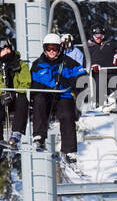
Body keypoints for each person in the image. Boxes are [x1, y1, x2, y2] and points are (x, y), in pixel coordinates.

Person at [30, 32, 85, 163]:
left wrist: (69, 84)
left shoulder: (68, 62)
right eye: (48, 48)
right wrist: (46, 89)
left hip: (63, 94)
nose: (52, 51)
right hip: (46, 96)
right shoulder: (38, 64)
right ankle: (39, 137)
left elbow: (82, 75)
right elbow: (34, 83)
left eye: (54, 48)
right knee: (39, 101)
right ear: (44, 49)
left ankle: (69, 150)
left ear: (59, 48)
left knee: (67, 114)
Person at [0, 36, 30, 163]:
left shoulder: (20, 65)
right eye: (3, 50)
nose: (6, 52)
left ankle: (16, 132)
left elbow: (25, 83)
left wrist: (15, 93)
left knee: (23, 101)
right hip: (2, 98)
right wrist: (0, 96)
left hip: (16, 96)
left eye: (8, 49)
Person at [86, 27, 117, 109]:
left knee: (116, 81)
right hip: (97, 71)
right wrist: (92, 65)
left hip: (110, 70)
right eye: (96, 36)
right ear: (93, 36)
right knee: (99, 79)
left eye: (100, 35)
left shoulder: (109, 43)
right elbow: (85, 60)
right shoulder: (89, 46)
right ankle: (99, 101)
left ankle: (116, 101)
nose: (98, 38)